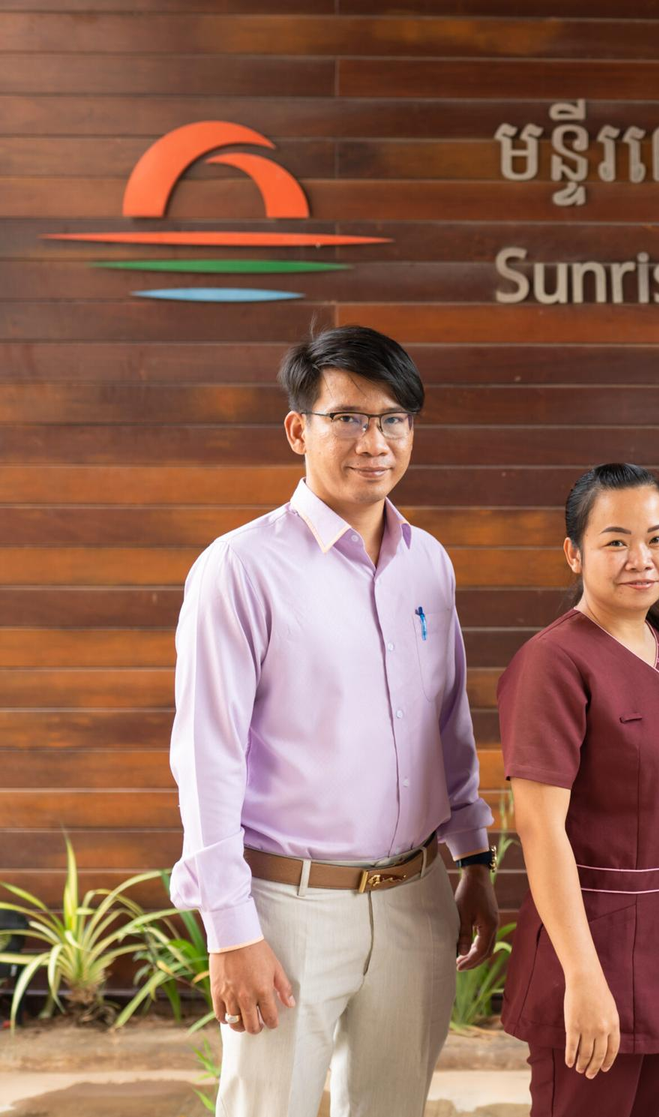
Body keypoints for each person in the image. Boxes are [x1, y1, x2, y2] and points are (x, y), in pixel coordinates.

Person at [168, 325, 499, 1116]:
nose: (373, 442)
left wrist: (474, 861)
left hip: (416, 896)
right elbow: (208, 758)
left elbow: (446, 720)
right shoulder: (240, 568)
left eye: (393, 419)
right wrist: (230, 929)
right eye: (347, 417)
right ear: (298, 429)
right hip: (288, 907)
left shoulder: (428, 562)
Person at [498, 463, 659, 1117]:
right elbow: (540, 827)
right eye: (616, 541)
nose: (642, 558)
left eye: (658, 538)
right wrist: (582, 976)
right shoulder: (553, 661)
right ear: (573, 552)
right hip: (591, 954)